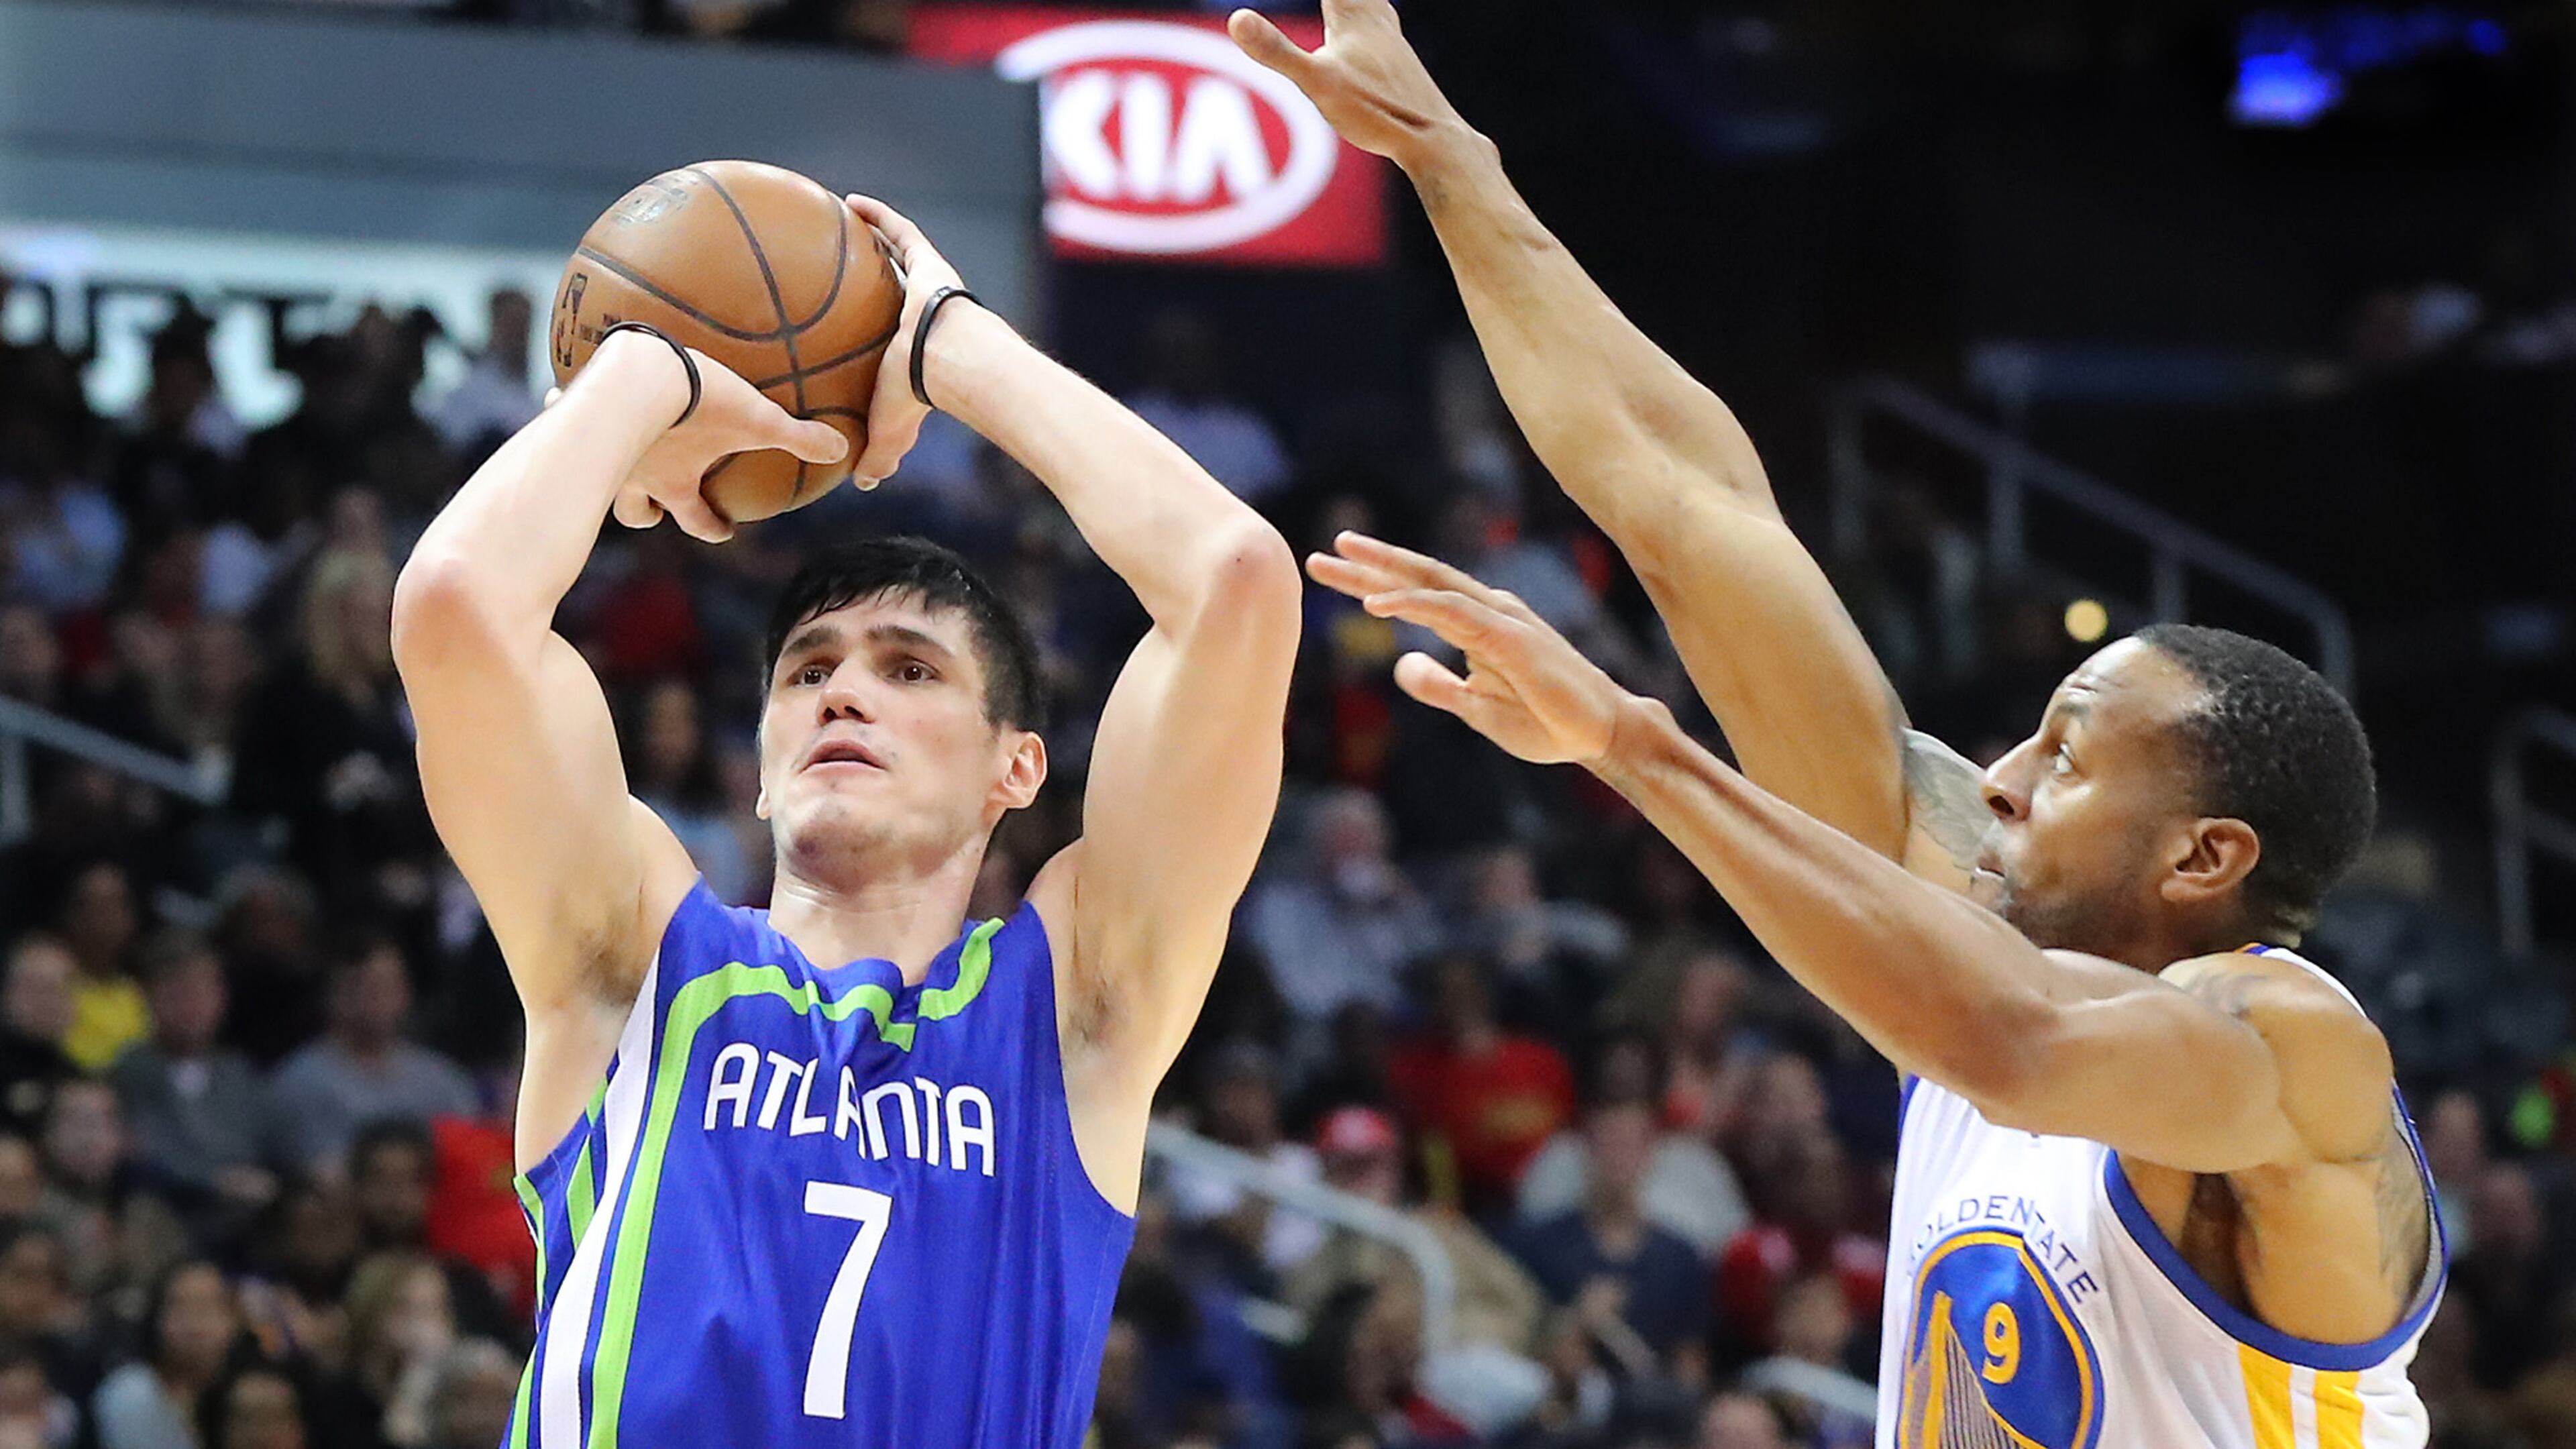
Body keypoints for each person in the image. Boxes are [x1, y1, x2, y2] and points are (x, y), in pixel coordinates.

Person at [1245, 1, 2443, 1444]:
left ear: (2204, 859)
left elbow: (2015, 1045)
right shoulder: (1970, 917)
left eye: (2060, 756)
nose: (1994, 781)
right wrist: (1452, 165)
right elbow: (1684, 503)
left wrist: (1638, 748)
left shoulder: (2301, 1046)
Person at [390, 194, 1299, 1448]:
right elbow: (454, 611)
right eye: (807, 672)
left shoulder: (1076, 1007)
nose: (845, 692)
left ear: (1017, 769)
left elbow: (1237, 584)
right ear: (759, 769)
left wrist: (947, 347)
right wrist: (645, 372)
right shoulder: (635, 959)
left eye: (910, 670)